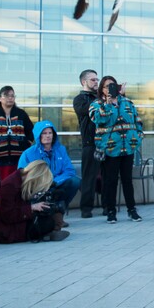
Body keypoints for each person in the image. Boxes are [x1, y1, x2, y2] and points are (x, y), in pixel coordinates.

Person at [89, 76, 143, 224]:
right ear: (101, 89)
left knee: (127, 181)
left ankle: (132, 211)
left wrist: (138, 137)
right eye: (106, 86)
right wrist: (108, 104)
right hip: (110, 149)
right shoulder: (96, 104)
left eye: (112, 86)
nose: (109, 89)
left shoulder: (127, 102)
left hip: (128, 148)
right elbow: (98, 119)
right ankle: (111, 212)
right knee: (110, 181)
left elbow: (137, 120)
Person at [0, 160, 69, 243]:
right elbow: (7, 215)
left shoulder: (21, 181)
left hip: (18, 222)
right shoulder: (10, 185)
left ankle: (50, 232)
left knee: (54, 211)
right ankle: (48, 233)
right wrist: (32, 208)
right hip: (5, 231)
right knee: (48, 223)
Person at [18, 120, 81, 221]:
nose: (48, 136)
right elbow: (22, 175)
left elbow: (69, 171)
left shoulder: (61, 150)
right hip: (38, 186)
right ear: (38, 135)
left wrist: (54, 182)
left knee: (75, 181)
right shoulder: (28, 153)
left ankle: (58, 215)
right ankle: (42, 216)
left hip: (56, 183)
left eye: (50, 133)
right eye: (44, 133)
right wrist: (44, 183)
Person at [0, 86, 34, 184]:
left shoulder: (21, 114)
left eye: (12, 96)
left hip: (19, 158)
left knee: (17, 185)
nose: (10, 98)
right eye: (7, 95)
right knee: (0, 186)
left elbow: (31, 131)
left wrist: (27, 144)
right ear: (0, 98)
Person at [73, 69, 99, 218]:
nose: (96, 82)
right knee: (88, 176)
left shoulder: (99, 97)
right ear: (84, 82)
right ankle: (86, 208)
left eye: (97, 79)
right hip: (90, 142)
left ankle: (109, 207)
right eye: (93, 80)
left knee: (108, 176)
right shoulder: (79, 99)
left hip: (105, 142)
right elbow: (88, 111)